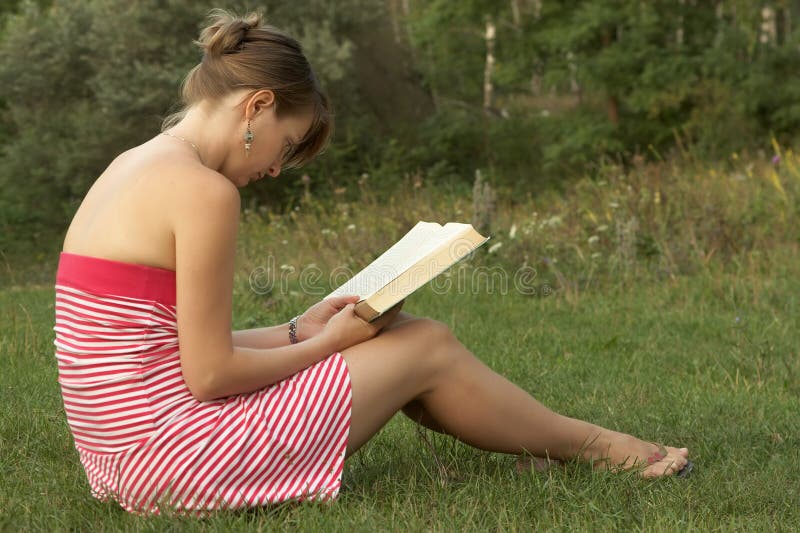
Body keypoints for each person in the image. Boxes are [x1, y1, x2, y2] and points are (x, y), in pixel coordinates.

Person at [53, 9, 691, 517]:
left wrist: (303, 328)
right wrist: (331, 343)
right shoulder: (203, 192)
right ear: (257, 106)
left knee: (411, 337)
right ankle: (599, 448)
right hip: (175, 460)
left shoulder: (132, 165)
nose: (275, 167)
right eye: (284, 144)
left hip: (122, 458)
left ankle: (560, 446)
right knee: (427, 347)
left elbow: (156, 348)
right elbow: (211, 375)